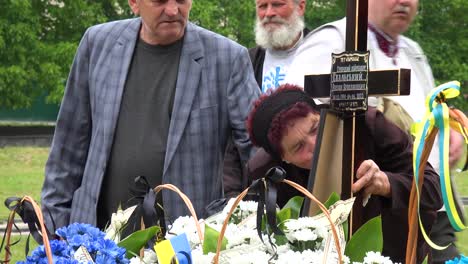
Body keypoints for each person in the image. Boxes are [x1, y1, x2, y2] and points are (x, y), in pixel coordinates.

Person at [41, 0, 260, 233]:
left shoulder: (227, 58)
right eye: (160, 1)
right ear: (134, 3)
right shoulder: (97, 44)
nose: (173, 10)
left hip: (188, 241)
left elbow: (258, 148)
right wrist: (55, 227)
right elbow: (69, 144)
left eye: (181, 0)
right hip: (96, 239)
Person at [284, 0, 465, 261]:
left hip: (433, 210)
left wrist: (449, 131)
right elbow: (295, 123)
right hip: (378, 221)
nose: (404, 2)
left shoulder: (411, 51)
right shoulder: (332, 42)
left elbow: (428, 113)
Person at [246, 84, 442, 263]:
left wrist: (387, 183)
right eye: (298, 147)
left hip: (396, 255)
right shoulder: (265, 174)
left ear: (322, 115)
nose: (315, 146)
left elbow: (433, 190)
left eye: (316, 129)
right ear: (283, 158)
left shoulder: (368, 126)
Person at [223, 0, 309, 197]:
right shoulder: (245, 62)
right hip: (257, 187)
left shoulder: (321, 55)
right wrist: (232, 196)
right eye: (262, 6)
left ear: (301, 6)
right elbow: (232, 140)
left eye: (277, 4)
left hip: (309, 186)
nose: (269, 13)